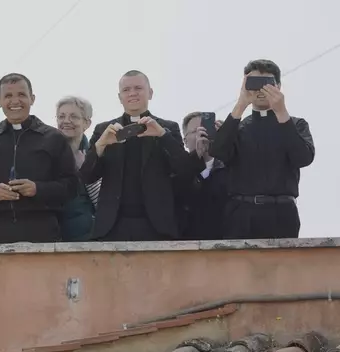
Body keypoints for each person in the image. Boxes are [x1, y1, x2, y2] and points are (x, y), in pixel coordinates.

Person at [80, 70, 204, 242]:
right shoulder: (104, 130)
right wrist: (100, 145)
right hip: (112, 226)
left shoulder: (167, 127)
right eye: (126, 90)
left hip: (156, 225)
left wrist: (162, 135)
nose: (132, 93)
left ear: (150, 93)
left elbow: (184, 170)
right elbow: (87, 176)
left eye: (138, 88)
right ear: (119, 96)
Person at [0, 73, 78, 244]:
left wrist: (38, 189)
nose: (15, 101)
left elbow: (72, 186)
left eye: (21, 95)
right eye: (8, 96)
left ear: (32, 98)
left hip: (43, 236)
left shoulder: (54, 139)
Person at [210, 59, 314, 239]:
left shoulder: (296, 124)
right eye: (254, 83)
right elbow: (218, 152)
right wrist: (241, 104)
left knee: (282, 267)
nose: (260, 89)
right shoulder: (238, 126)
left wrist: (282, 112)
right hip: (241, 214)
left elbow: (303, 158)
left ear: (278, 86)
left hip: (282, 213)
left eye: (267, 83)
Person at [175, 112, 228, 240]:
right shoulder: (177, 168)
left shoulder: (230, 166)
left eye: (207, 128)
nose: (202, 134)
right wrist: (197, 158)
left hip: (226, 242)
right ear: (185, 141)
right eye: (195, 131)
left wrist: (227, 138)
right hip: (187, 243)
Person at [55, 96, 100, 242]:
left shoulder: (96, 153)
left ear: (86, 123)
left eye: (74, 116)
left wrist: (86, 170)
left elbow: (103, 201)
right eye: (61, 116)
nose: (66, 121)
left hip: (89, 237)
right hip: (54, 236)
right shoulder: (48, 153)